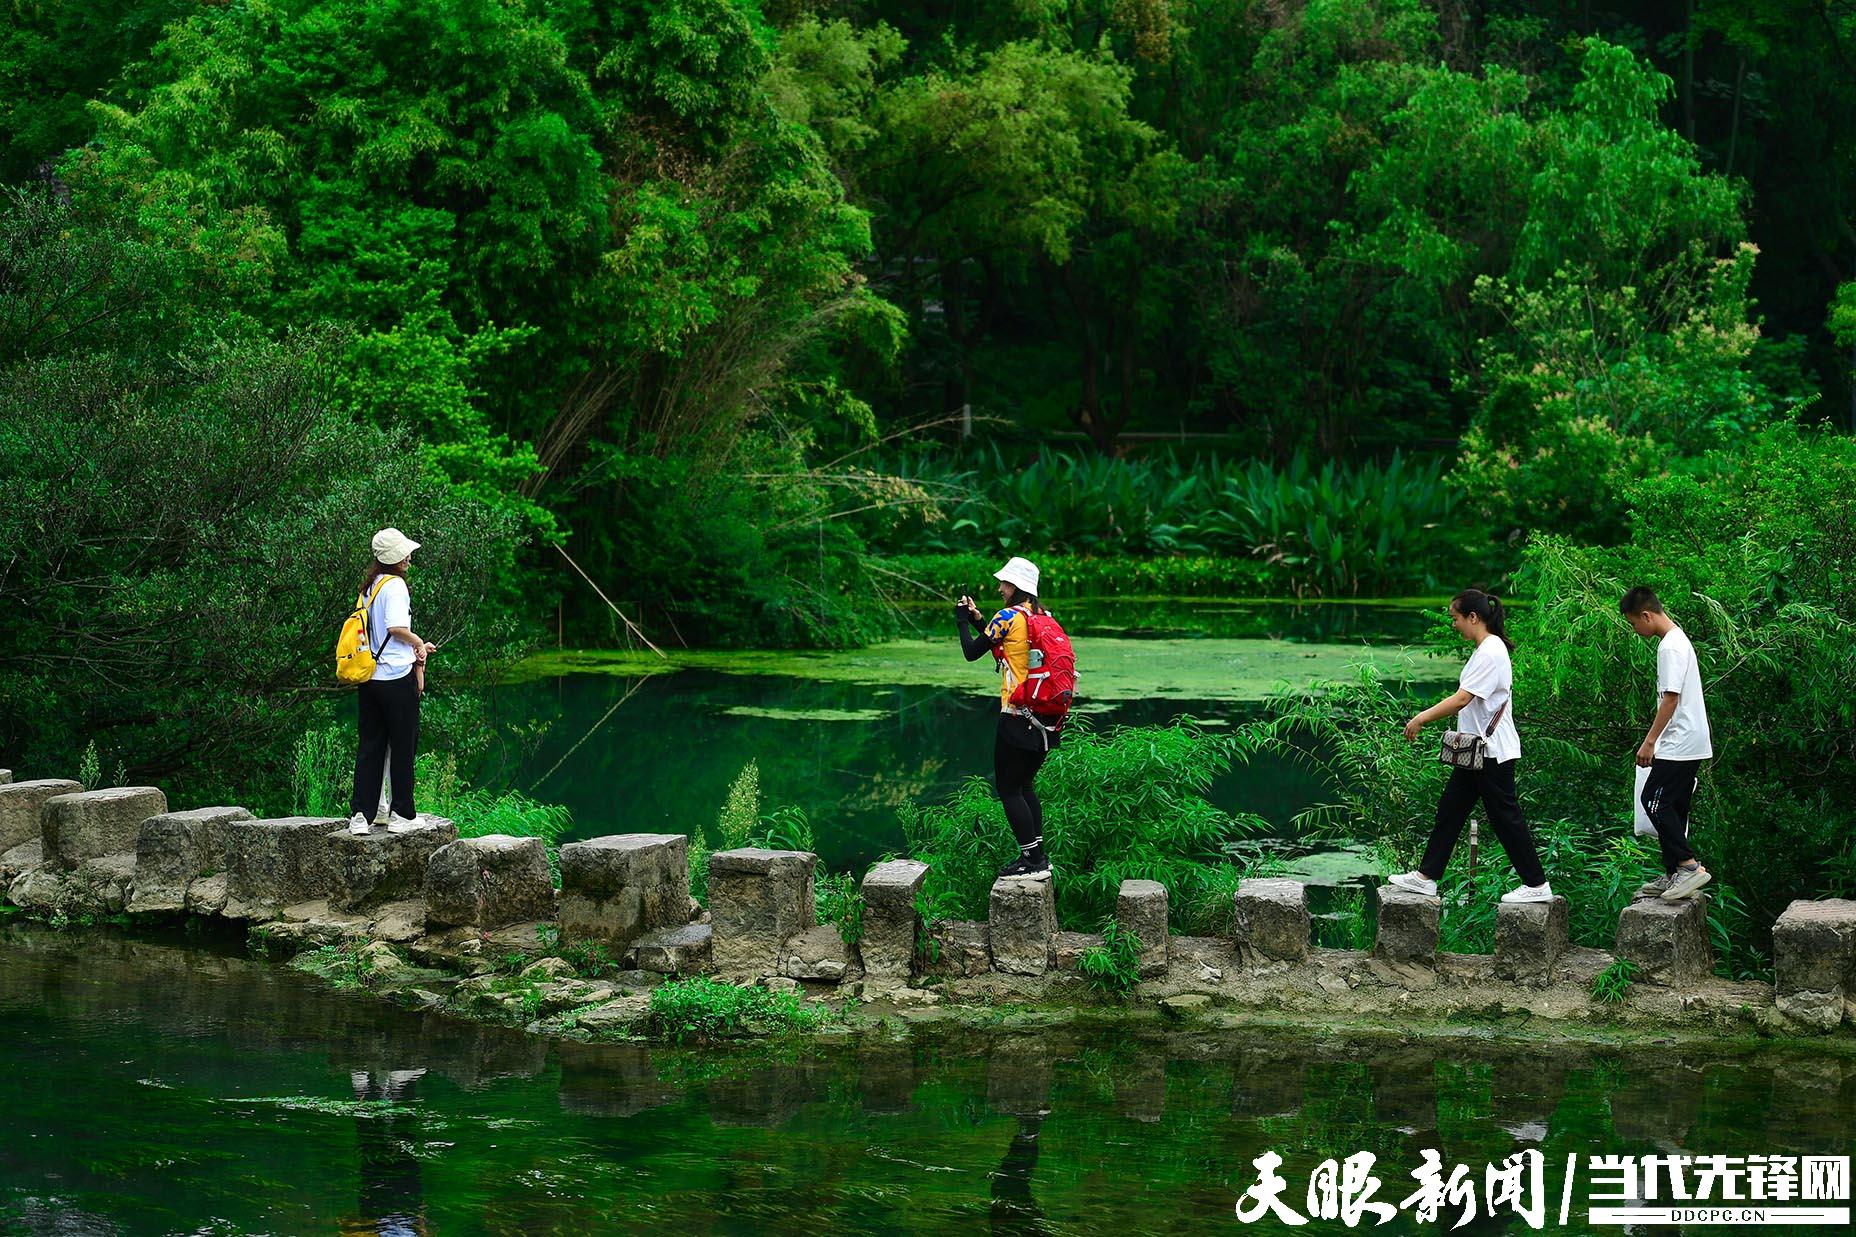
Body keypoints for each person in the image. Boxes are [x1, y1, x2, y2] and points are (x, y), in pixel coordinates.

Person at [1388, 589, 1553, 904]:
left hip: (1491, 753)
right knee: (1450, 811)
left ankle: (1536, 884)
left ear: (1473, 617)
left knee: (1505, 818)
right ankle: (1426, 877)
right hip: (1474, 753)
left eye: (1456, 618)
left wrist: (1421, 718)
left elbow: (1462, 698)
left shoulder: (1490, 651)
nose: (1454, 625)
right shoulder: (1486, 649)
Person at [956, 556, 1059, 881]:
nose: (1000, 588)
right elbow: (1004, 647)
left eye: (1004, 583)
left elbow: (972, 651)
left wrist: (961, 621)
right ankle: (1037, 857)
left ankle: (1032, 861)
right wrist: (979, 619)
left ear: (1015, 586)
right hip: (1046, 717)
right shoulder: (1043, 617)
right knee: (1024, 785)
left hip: (1016, 715)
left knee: (1008, 788)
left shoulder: (1007, 616)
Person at [1620, 586, 1713, 901]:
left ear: (1646, 615)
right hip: (1690, 739)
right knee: (1672, 804)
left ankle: (1688, 866)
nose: (1635, 630)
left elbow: (1671, 698)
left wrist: (1649, 742)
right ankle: (1673, 872)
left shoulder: (1670, 647)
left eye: (1634, 623)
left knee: (1653, 801)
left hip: (1680, 740)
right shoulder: (1678, 639)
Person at [347, 528, 434, 835]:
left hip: (370, 677)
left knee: (371, 746)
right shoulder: (395, 585)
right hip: (396, 677)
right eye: (404, 553)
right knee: (402, 746)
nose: (409, 557)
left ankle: (362, 815)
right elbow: (396, 627)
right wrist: (418, 642)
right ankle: (402, 814)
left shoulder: (369, 587)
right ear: (393, 558)